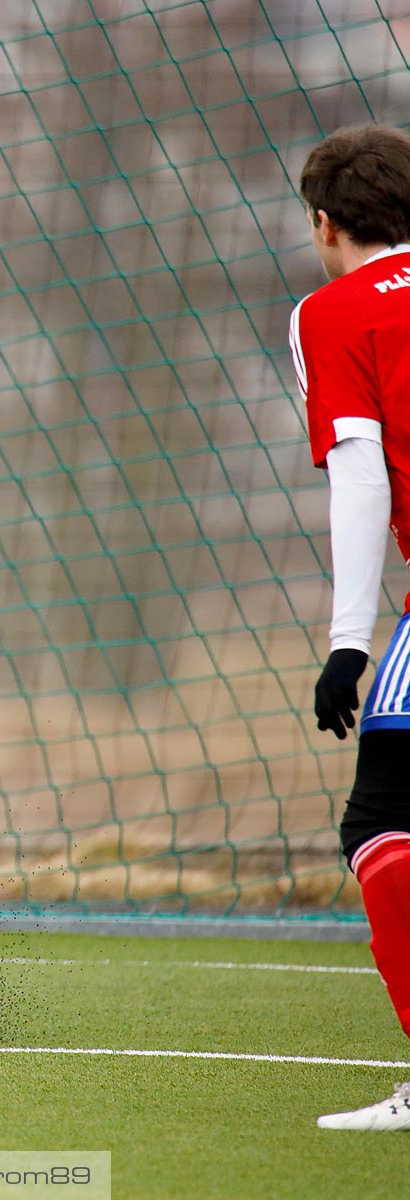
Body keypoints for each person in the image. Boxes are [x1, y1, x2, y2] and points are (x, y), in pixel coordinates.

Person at [291, 124, 410, 1131]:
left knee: (382, 823)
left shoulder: (332, 313)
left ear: (326, 227)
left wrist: (348, 641)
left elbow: (363, 476)